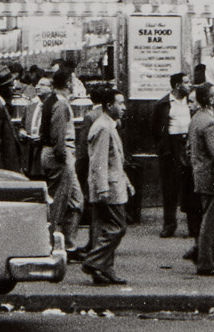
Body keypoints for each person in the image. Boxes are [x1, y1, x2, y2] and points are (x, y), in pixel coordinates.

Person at [76, 85, 130, 285]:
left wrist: (126, 181)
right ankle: (94, 261)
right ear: (109, 106)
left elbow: (113, 159)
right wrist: (103, 189)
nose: (124, 107)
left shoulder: (109, 125)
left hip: (111, 184)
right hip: (108, 187)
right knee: (118, 226)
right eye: (120, 103)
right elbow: (99, 162)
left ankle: (104, 269)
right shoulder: (103, 127)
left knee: (102, 228)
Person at [184, 83, 214, 275]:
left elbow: (190, 148)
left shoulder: (197, 118)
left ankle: (210, 257)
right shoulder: (210, 122)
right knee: (212, 221)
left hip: (201, 173)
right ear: (211, 99)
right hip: (213, 176)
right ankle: (206, 261)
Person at [41, 73, 83, 251]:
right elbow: (58, 134)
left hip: (57, 155)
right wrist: (63, 158)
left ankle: (69, 244)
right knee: (59, 202)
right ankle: (50, 243)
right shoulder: (61, 103)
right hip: (60, 155)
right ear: (67, 84)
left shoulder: (51, 100)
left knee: (76, 200)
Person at [152, 72, 195, 239]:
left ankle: (193, 225)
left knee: (191, 186)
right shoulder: (163, 104)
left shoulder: (191, 102)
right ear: (177, 85)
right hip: (171, 146)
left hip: (188, 143)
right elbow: (155, 129)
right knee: (170, 187)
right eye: (186, 82)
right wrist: (164, 146)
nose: (190, 84)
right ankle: (169, 224)